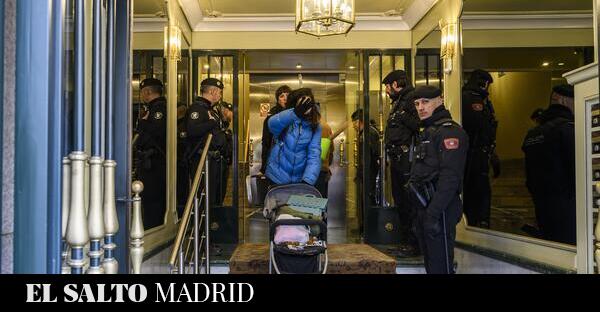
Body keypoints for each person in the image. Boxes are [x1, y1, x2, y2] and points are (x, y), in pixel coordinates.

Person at [408, 85, 468, 274]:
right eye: (417, 103)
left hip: (440, 209)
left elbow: (450, 179)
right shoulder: (429, 130)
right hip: (426, 207)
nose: (420, 107)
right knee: (432, 265)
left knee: (440, 267)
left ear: (440, 100)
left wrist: (432, 214)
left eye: (425, 102)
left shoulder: (449, 131)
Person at [522, 84, 575, 245]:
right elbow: (577, 173)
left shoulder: (533, 134)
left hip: (542, 208)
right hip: (568, 210)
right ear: (563, 100)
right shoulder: (567, 129)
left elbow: (530, 177)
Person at [382, 69, 420, 255]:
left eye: (388, 86)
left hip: (408, 160)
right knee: (401, 202)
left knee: (409, 202)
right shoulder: (399, 102)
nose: (387, 91)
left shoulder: (412, 99)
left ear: (396, 84)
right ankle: (406, 241)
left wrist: (404, 117)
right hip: (398, 160)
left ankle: (413, 244)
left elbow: (420, 126)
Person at [461, 69, 498, 228]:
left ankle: (479, 222)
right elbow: (479, 126)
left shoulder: (480, 100)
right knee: (476, 191)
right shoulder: (472, 98)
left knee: (480, 190)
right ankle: (477, 223)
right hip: (473, 152)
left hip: (480, 152)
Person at [264, 88, 322, 187]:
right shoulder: (287, 119)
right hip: (276, 177)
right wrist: (294, 114)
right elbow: (271, 124)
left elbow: (314, 154)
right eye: (302, 102)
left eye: (308, 102)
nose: (306, 106)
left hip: (298, 180)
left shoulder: (315, 126)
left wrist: (308, 180)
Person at [185, 78, 229, 206]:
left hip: (213, 160)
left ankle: (211, 223)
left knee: (214, 197)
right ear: (212, 91)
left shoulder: (211, 109)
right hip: (203, 161)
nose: (220, 96)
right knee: (205, 198)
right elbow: (192, 130)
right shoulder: (198, 109)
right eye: (219, 92)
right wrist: (211, 122)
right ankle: (204, 224)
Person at [135, 78, 167, 229]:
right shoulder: (152, 109)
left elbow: (156, 132)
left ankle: (152, 229)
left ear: (147, 92)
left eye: (142, 92)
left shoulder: (158, 109)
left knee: (152, 202)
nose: (141, 95)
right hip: (151, 162)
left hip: (154, 163)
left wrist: (143, 123)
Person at [352, 109, 380, 238]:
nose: (353, 126)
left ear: (359, 121)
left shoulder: (368, 133)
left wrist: (364, 172)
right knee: (366, 198)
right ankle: (366, 227)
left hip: (369, 173)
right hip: (367, 172)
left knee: (368, 198)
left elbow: (371, 156)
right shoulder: (365, 133)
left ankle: (370, 228)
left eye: (354, 122)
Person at [260, 85, 292, 174]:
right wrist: (263, 168)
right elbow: (266, 142)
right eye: (282, 96)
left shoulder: (295, 115)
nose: (285, 98)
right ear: (278, 100)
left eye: (288, 96)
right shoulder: (272, 118)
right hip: (276, 160)